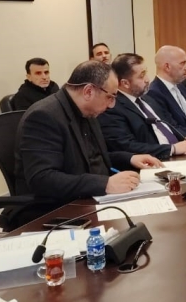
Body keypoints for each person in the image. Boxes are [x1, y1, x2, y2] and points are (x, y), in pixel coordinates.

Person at [15, 61, 162, 212]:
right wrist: (105, 184)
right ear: (88, 91)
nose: (112, 105)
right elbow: (42, 179)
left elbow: (91, 157)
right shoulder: (44, 116)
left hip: (92, 199)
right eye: (110, 97)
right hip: (56, 208)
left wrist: (130, 158)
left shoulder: (88, 111)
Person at [98, 53, 186, 160]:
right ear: (125, 83)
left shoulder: (148, 99)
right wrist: (172, 149)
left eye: (146, 73)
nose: (147, 79)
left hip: (181, 154)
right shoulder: (112, 108)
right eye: (141, 76)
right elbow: (127, 145)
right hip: (158, 160)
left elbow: (171, 124)